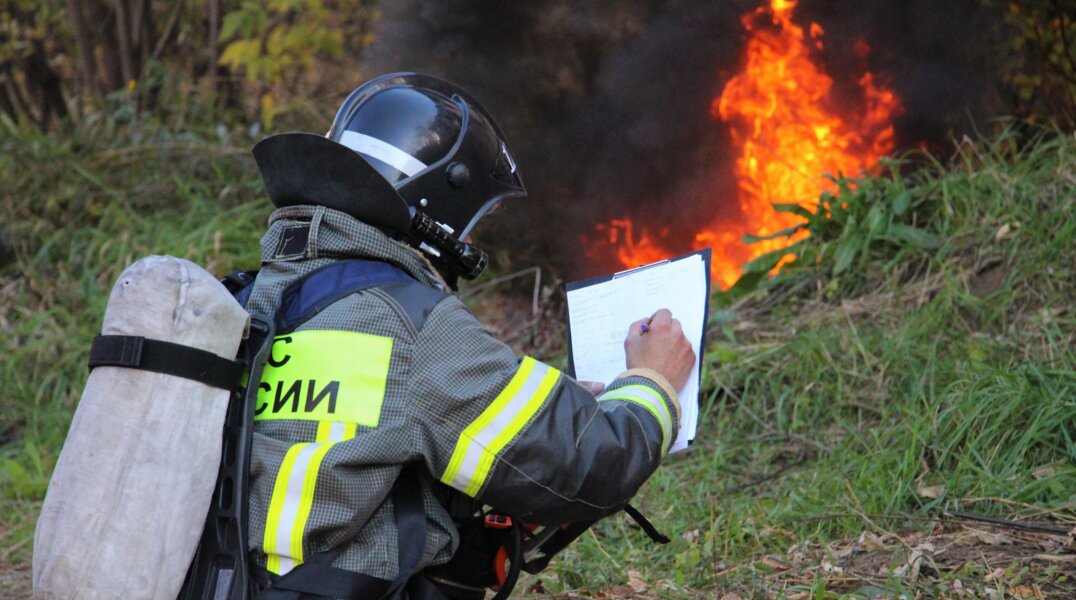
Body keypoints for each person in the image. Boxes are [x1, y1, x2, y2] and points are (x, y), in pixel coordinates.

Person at [242, 72, 696, 599]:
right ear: (440, 208)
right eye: (475, 219)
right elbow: (595, 461)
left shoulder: (253, 301)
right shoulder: (411, 325)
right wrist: (653, 379)